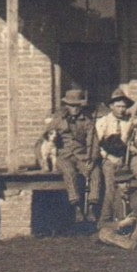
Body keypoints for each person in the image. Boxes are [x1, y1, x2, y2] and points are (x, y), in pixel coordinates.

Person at [42, 87, 99, 221]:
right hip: (63, 155)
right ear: (66, 105)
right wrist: (42, 160)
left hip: (82, 156)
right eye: (71, 105)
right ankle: (76, 206)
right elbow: (44, 139)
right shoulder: (57, 120)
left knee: (94, 171)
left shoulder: (87, 121)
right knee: (69, 171)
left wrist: (92, 158)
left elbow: (94, 141)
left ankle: (91, 206)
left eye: (77, 106)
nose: (74, 108)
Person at [94, 92, 137, 217]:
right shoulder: (103, 122)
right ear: (111, 106)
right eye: (118, 106)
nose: (121, 109)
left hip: (127, 156)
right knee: (111, 179)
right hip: (108, 157)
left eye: (124, 107)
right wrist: (110, 157)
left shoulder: (130, 121)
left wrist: (136, 128)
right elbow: (96, 145)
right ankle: (111, 214)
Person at [97, 167, 137, 253]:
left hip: (135, 232)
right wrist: (121, 223)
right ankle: (134, 246)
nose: (126, 185)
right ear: (116, 184)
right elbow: (101, 224)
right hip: (118, 235)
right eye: (122, 182)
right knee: (103, 233)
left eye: (128, 181)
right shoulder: (110, 196)